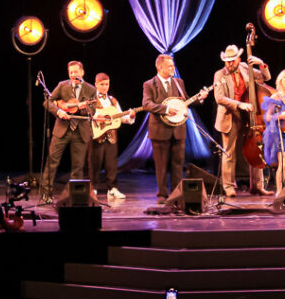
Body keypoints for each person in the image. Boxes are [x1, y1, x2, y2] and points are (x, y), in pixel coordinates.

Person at [142, 54, 207, 203]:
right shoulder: (149, 84)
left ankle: (177, 193)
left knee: (178, 164)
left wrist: (200, 98)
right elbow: (147, 104)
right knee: (161, 165)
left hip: (178, 130)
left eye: (173, 65)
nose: (173, 68)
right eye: (170, 66)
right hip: (159, 130)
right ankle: (162, 194)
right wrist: (166, 109)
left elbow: (185, 101)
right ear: (160, 67)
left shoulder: (179, 82)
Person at [212, 44, 272, 197]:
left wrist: (260, 63)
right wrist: (240, 104)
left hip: (247, 116)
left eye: (233, 60)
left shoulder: (246, 68)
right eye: (227, 61)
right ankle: (229, 187)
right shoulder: (219, 74)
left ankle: (257, 186)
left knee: (255, 148)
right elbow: (219, 98)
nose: (230, 63)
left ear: (238, 59)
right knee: (229, 152)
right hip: (230, 116)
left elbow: (266, 77)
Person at [39, 60, 97, 204]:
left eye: (75, 72)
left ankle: (74, 196)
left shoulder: (90, 89)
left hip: (80, 131)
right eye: (70, 72)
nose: (73, 75)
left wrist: (82, 107)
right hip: (62, 129)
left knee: (78, 166)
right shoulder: (62, 86)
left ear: (82, 73)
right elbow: (48, 102)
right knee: (52, 161)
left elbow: (93, 111)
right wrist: (59, 111)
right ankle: (46, 194)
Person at [90, 72, 136, 200]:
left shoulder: (113, 100)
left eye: (107, 84)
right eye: (102, 84)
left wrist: (130, 116)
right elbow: (88, 116)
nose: (104, 87)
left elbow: (121, 116)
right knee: (95, 163)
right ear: (96, 84)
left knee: (112, 164)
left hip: (111, 136)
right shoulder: (91, 100)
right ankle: (92, 188)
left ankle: (112, 188)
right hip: (97, 135)